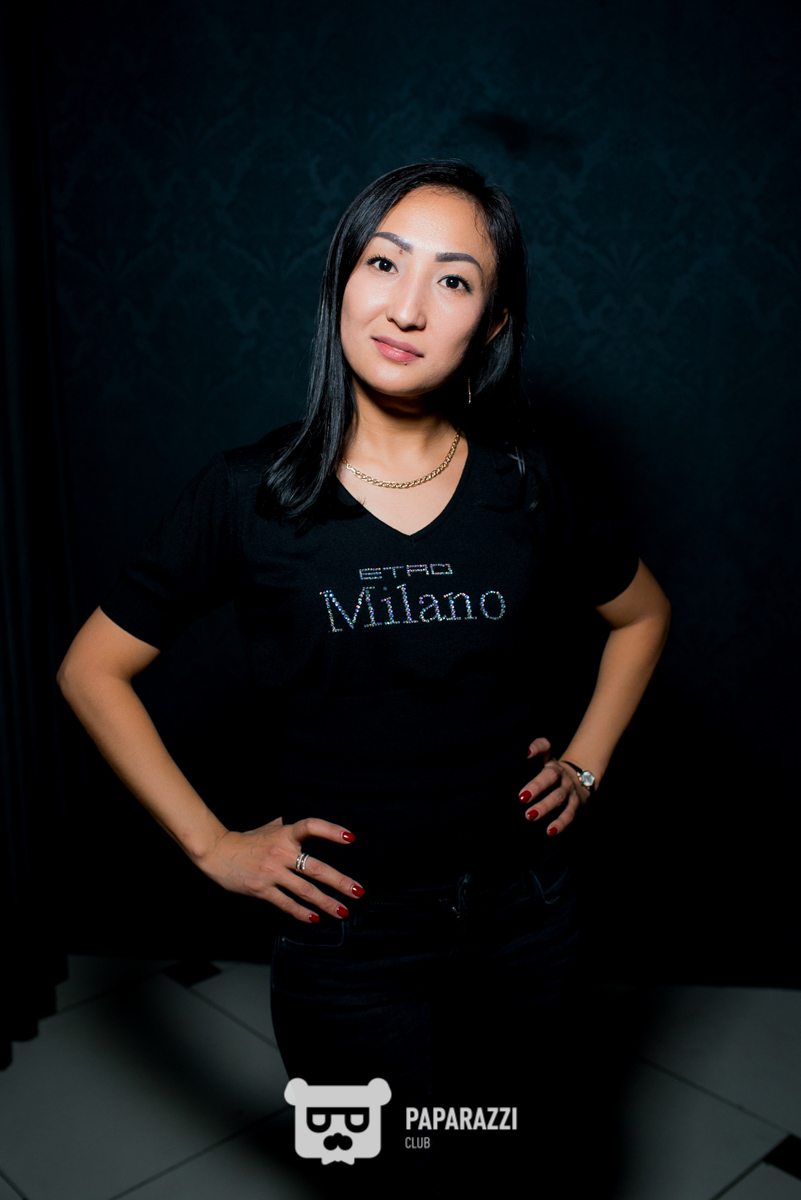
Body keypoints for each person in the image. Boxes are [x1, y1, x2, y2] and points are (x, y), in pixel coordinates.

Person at [57, 161, 670, 1195]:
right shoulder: (248, 494)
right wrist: (211, 845)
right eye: (384, 263)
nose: (407, 306)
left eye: (453, 279)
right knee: (388, 1178)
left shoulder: (529, 483)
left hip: (525, 914)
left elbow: (642, 614)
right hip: (350, 940)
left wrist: (585, 766)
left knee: (513, 1165)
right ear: (341, 279)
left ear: (492, 323)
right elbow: (91, 670)